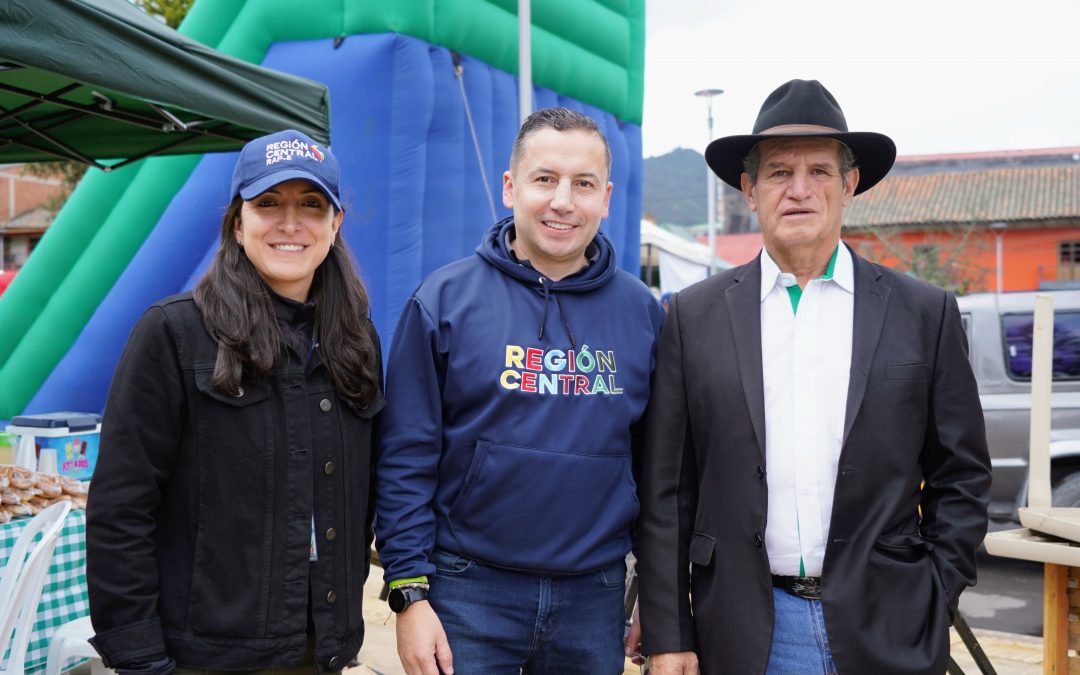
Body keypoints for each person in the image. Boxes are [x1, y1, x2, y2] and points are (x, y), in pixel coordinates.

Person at [633, 80, 992, 674]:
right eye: (779, 172)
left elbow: (963, 476)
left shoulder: (923, 313)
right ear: (749, 190)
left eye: (820, 171)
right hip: (742, 633)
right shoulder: (693, 317)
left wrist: (933, 594)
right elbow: (668, 492)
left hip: (888, 627)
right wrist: (670, 633)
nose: (799, 189)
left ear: (849, 185)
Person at [375, 107, 663, 675]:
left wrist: (657, 591)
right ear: (511, 187)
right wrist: (408, 591)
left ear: (606, 198)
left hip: (594, 596)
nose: (563, 201)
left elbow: (659, 470)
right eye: (545, 179)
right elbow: (404, 456)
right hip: (467, 592)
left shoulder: (642, 314)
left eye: (583, 184)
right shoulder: (443, 301)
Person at [86, 130, 383, 673]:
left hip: (321, 648)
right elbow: (121, 510)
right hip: (202, 656)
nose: (290, 223)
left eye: (311, 205)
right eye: (267, 203)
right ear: (238, 225)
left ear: (336, 224)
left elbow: (367, 493)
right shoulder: (173, 334)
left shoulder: (356, 341)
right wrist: (139, 656)